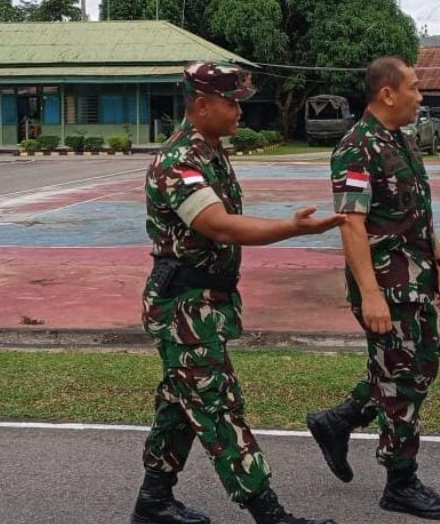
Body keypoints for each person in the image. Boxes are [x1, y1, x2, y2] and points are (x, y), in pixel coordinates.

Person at [132, 61, 345, 524]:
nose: (238, 111)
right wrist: (292, 228)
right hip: (183, 308)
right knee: (219, 407)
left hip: (205, 302)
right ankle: (269, 513)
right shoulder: (178, 162)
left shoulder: (211, 152)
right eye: (231, 103)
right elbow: (220, 226)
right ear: (202, 105)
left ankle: (153, 501)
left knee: (180, 405)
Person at [306, 56, 440, 520]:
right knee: (402, 380)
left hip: (417, 277)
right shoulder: (356, 148)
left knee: (421, 366)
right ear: (387, 93)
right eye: (414, 88)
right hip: (387, 285)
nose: (420, 96)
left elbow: (415, 214)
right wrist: (370, 294)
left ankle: (338, 420)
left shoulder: (401, 142)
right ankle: (400, 482)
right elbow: (351, 224)